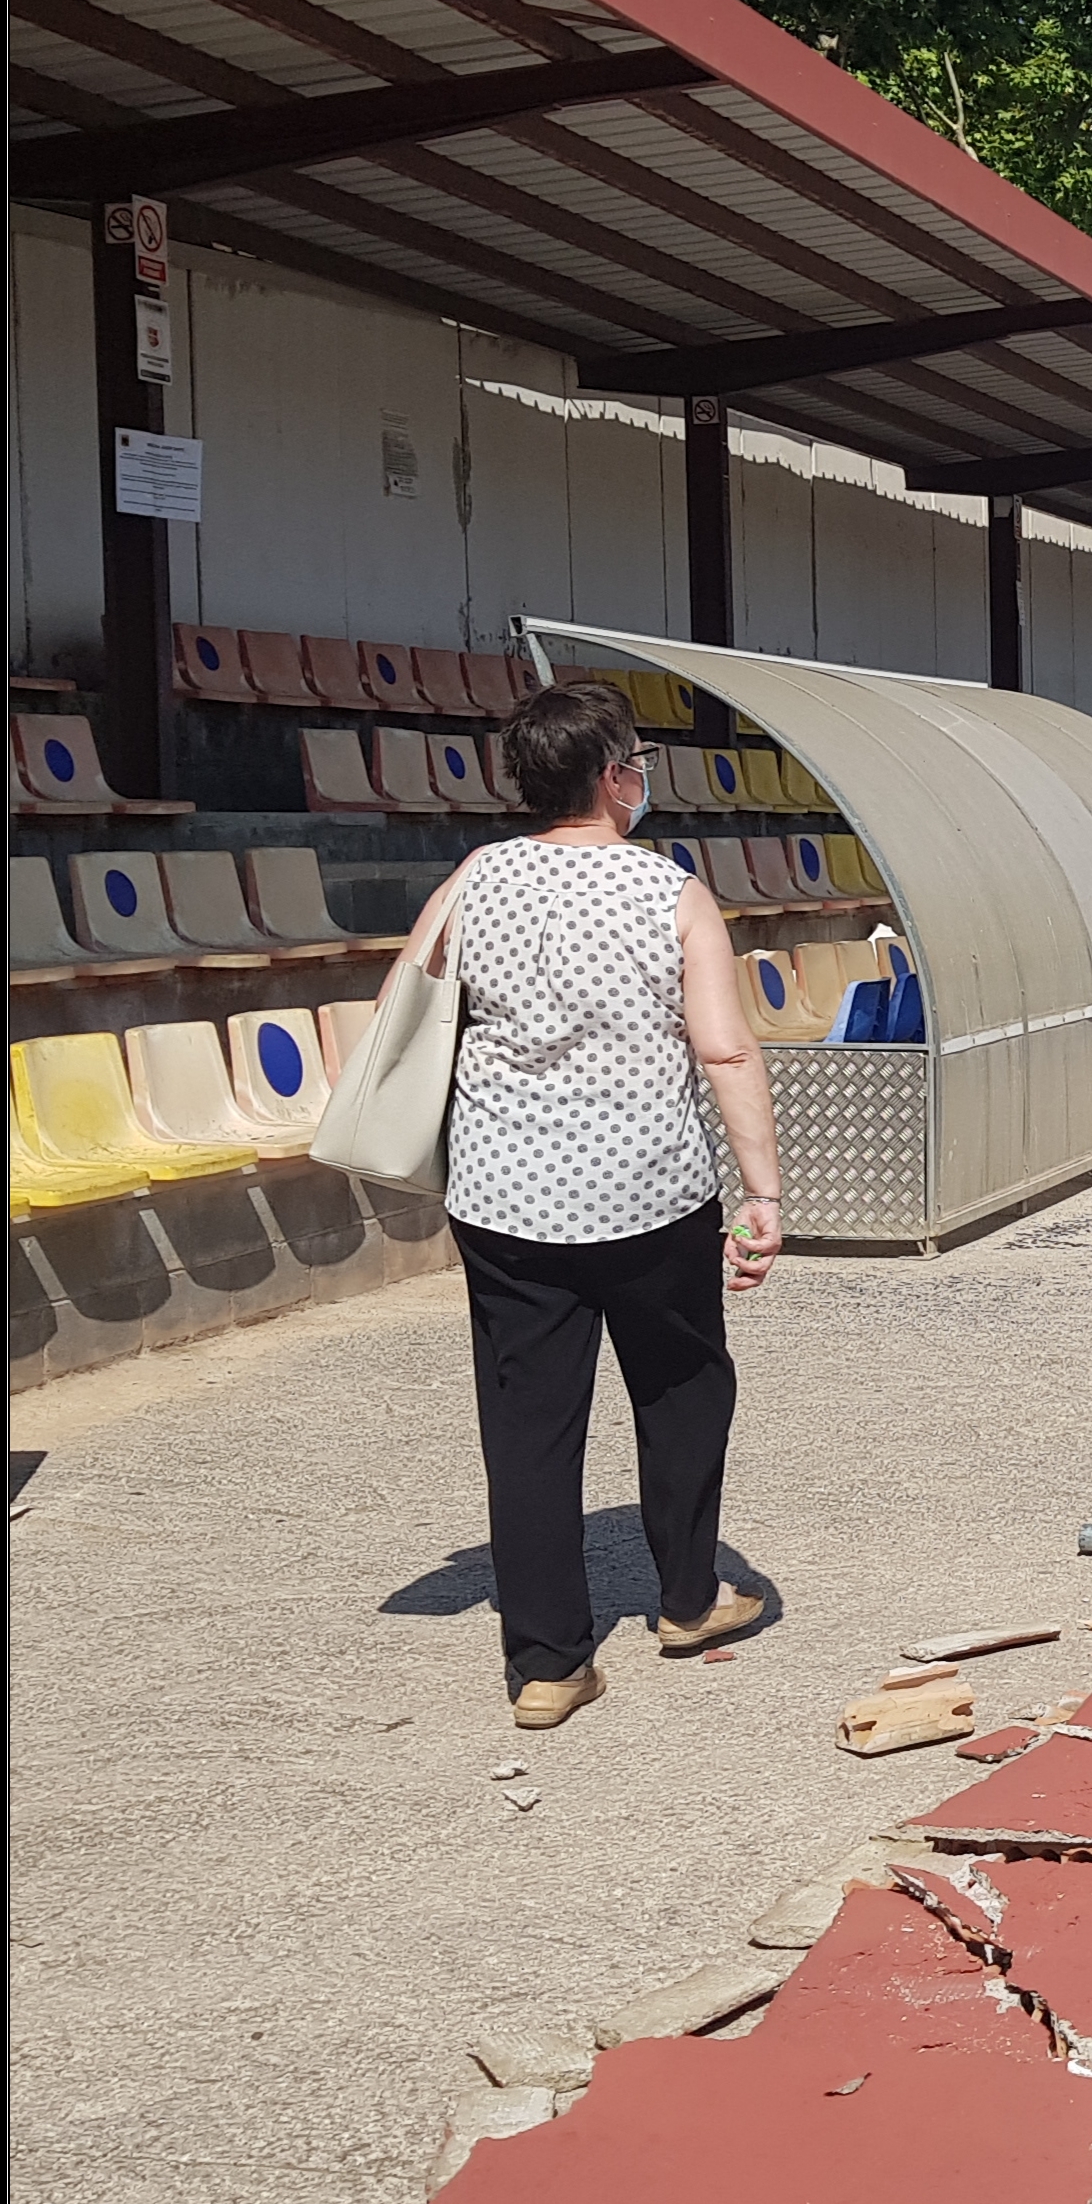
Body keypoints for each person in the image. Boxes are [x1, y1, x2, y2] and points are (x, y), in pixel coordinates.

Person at [395, 678, 784, 1730]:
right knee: (682, 1387)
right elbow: (720, 1043)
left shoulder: (480, 875)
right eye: (637, 764)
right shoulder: (670, 891)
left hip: (505, 1196)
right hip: (647, 1194)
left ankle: (547, 1665)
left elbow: (412, 993)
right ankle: (690, 1598)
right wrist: (763, 1189)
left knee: (528, 1423)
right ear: (615, 776)